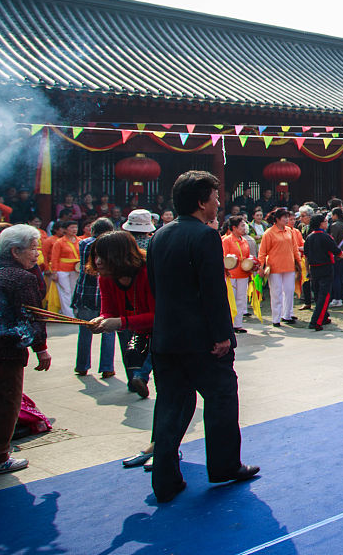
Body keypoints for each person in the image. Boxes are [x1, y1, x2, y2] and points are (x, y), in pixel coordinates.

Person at [146, 171, 258, 502]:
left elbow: (155, 288)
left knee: (170, 405)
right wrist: (223, 334)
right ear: (201, 202)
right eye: (215, 198)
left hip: (166, 337)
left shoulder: (159, 236)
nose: (218, 204)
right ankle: (225, 466)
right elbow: (212, 290)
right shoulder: (205, 236)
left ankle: (165, 479)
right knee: (222, 398)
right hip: (201, 340)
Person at [87, 230, 157, 465]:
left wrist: (121, 322)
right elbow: (109, 309)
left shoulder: (149, 272)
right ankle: (160, 446)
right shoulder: (105, 277)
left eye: (103, 256)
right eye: (95, 255)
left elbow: (160, 316)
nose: (97, 262)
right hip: (138, 331)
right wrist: (103, 319)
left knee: (172, 392)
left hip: (170, 333)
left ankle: (161, 447)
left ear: (120, 256)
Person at [0, 225, 50, 476]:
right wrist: (41, 349)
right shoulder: (21, 278)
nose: (37, 254)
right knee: (5, 402)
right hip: (6, 350)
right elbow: (33, 317)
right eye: (33, 248)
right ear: (15, 251)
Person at [72, 218, 120, 380]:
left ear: (93, 231)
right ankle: (107, 367)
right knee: (108, 330)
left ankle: (82, 366)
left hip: (85, 293)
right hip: (106, 295)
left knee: (85, 330)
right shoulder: (112, 245)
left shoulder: (83, 244)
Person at [303, 213, 343, 331]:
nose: (327, 223)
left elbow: (306, 257)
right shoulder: (326, 237)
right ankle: (316, 321)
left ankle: (324, 316)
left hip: (314, 269)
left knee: (317, 294)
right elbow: (337, 252)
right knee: (324, 296)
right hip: (325, 268)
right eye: (325, 221)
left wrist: (308, 271)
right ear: (321, 223)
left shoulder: (309, 237)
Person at [258, 208, 304, 327]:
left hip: (289, 266)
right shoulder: (269, 233)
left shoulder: (289, 231)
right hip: (274, 267)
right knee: (276, 292)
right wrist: (261, 267)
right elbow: (262, 252)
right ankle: (276, 318)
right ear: (277, 219)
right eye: (284, 217)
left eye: (287, 217)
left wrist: (299, 263)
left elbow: (294, 248)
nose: (287, 220)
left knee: (289, 291)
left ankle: (287, 315)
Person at [222, 216, 255, 333]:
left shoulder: (244, 240)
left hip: (243, 274)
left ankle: (238, 324)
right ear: (234, 228)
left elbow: (247, 256)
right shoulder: (226, 240)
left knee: (241, 299)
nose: (244, 227)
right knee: (230, 300)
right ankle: (229, 324)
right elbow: (224, 257)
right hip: (231, 275)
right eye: (241, 225)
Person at [45, 219, 80, 315]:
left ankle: (75, 312)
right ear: (65, 229)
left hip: (76, 269)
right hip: (62, 269)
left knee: (74, 291)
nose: (74, 229)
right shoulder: (59, 242)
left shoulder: (79, 241)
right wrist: (54, 272)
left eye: (76, 227)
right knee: (65, 292)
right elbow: (54, 258)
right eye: (72, 227)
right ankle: (69, 314)